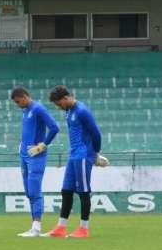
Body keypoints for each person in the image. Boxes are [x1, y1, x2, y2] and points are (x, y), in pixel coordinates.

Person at [45, 86, 107, 239]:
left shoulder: (82, 111)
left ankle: (84, 229)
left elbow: (96, 133)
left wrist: (95, 153)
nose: (59, 107)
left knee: (84, 192)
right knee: (66, 191)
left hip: (83, 155)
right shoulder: (69, 111)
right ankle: (61, 227)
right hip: (73, 156)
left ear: (66, 98)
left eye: (59, 104)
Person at [11, 87, 60, 237]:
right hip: (24, 155)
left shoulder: (38, 108)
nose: (18, 105)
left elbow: (54, 127)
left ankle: (37, 228)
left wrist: (43, 144)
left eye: (19, 101)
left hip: (36, 156)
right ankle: (33, 227)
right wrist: (22, 144)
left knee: (34, 190)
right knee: (28, 192)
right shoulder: (25, 110)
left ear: (25, 97)